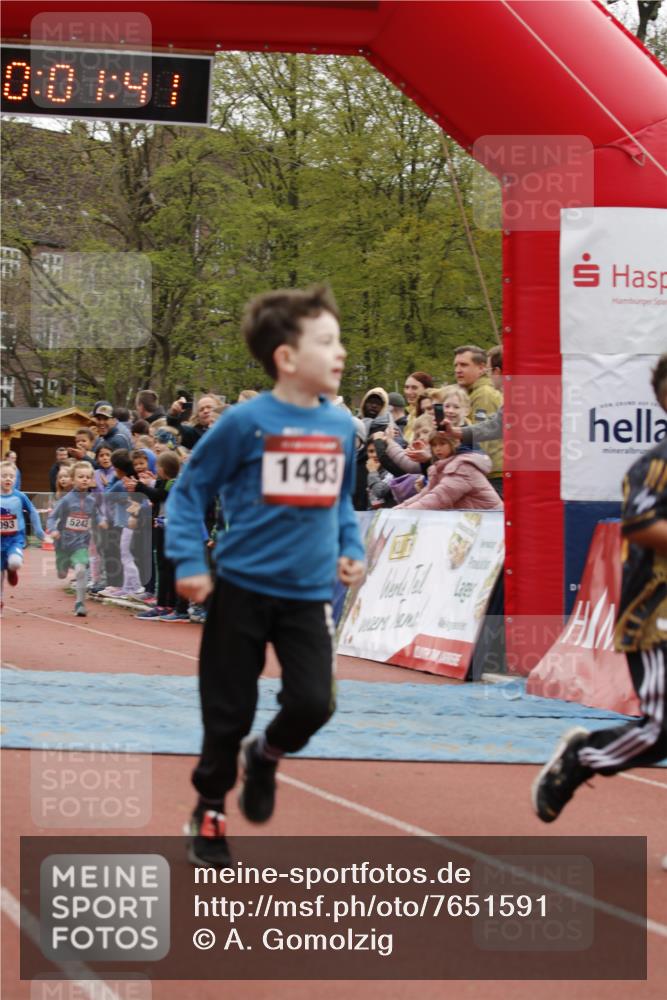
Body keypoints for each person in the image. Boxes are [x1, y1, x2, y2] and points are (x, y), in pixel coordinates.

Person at [165, 284, 365, 868]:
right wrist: (190, 562)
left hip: (307, 597)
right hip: (242, 591)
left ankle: (268, 754)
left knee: (313, 702)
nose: (341, 352)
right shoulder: (244, 423)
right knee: (226, 710)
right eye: (326, 342)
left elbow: (342, 504)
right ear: (285, 357)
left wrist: (350, 547)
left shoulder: (338, 427)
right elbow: (188, 492)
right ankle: (208, 807)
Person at [532, 352, 667, 827]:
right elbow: (640, 524)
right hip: (655, 617)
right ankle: (583, 756)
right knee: (661, 731)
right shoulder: (655, 465)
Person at [47, 461, 104, 617]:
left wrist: (102, 522)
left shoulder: (91, 501)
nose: (84, 480)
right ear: (72, 479)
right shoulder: (66, 500)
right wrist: (52, 530)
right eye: (80, 477)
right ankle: (62, 567)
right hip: (63, 543)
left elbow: (97, 516)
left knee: (80, 570)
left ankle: (80, 603)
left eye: (87, 477)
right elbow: (52, 518)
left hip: (81, 542)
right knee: (62, 574)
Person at [394, 431, 504, 512]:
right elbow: (426, 493)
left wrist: (405, 512)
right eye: (434, 445)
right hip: (475, 521)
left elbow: (439, 497)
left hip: (491, 522)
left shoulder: (463, 467)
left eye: (442, 444)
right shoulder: (439, 468)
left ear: (454, 444)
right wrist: (399, 509)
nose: (437, 449)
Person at [453, 345, 503, 494]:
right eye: (455, 365)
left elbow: (485, 440)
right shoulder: (472, 393)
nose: (458, 370)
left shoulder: (483, 395)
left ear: (482, 368)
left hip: (493, 475)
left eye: (464, 365)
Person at [1, 461, 45, 595]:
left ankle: (12, 570)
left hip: (15, 538)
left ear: (15, 478)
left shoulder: (20, 496)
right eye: (4, 476)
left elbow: (32, 511)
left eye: (11, 476)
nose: (8, 478)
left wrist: (39, 531)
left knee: (15, 563)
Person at [403, 371, 434, 443]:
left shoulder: (434, 414)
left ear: (427, 389)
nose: (409, 392)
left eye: (414, 388)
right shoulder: (409, 415)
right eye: (406, 387)